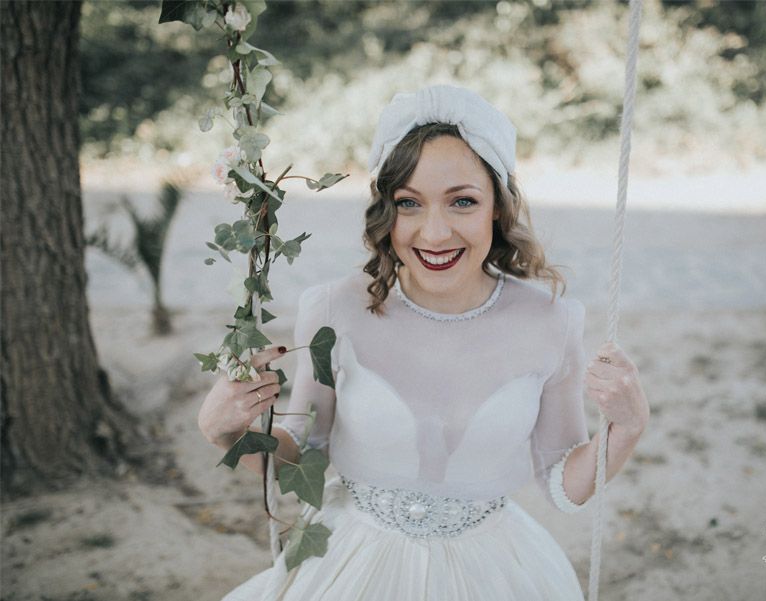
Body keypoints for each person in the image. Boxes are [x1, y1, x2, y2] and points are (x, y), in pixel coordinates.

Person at [199, 84, 650, 601]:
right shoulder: (333, 310)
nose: (434, 234)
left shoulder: (551, 320)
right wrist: (227, 433)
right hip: (354, 561)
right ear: (386, 212)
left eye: (462, 201)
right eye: (409, 203)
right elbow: (301, 459)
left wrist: (627, 429)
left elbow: (561, 482)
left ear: (498, 207)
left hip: (494, 570)